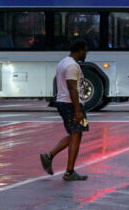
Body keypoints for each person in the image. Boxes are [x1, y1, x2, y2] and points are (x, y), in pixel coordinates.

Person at [40, 39, 90, 181]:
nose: (86, 54)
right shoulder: (71, 66)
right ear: (79, 50)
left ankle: (50, 156)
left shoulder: (64, 62)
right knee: (76, 134)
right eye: (85, 51)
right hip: (71, 104)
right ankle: (68, 171)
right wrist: (78, 111)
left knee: (78, 133)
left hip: (69, 103)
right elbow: (72, 88)